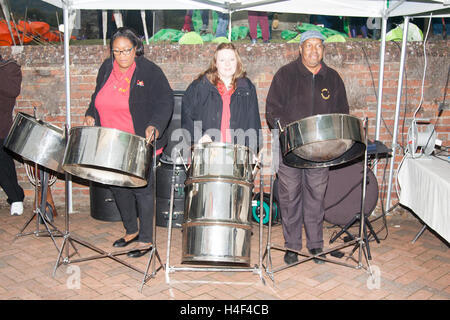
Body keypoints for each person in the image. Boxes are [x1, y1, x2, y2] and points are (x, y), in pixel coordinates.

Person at [84, 27, 174, 258]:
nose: (122, 56)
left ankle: (145, 240)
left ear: (136, 49)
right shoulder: (106, 68)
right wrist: (90, 112)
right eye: (117, 51)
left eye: (127, 50)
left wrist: (155, 124)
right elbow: (97, 95)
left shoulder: (150, 71)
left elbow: (165, 101)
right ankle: (131, 231)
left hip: (139, 139)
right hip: (111, 140)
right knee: (117, 185)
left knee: (141, 188)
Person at [266, 30, 349, 265]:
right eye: (309, 46)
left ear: (324, 50)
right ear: (300, 49)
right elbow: (272, 109)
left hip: (320, 150)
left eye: (318, 46)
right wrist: (286, 131)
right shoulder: (285, 75)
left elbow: (342, 112)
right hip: (290, 148)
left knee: (315, 196)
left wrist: (335, 141)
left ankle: (315, 245)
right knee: (289, 196)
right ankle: (292, 246)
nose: (314, 50)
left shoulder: (333, 78)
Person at [181, 42, 261, 153]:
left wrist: (251, 154)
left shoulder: (247, 88)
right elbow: (187, 116)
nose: (227, 64)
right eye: (222, 60)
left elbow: (254, 123)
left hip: (237, 155)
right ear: (216, 63)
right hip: (208, 153)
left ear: (237, 62)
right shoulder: (200, 86)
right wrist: (199, 137)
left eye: (232, 60)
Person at [0, 54, 25, 216]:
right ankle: (16, 195)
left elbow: (12, 91)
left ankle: (16, 197)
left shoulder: (9, 67)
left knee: (4, 164)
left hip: (2, 126)